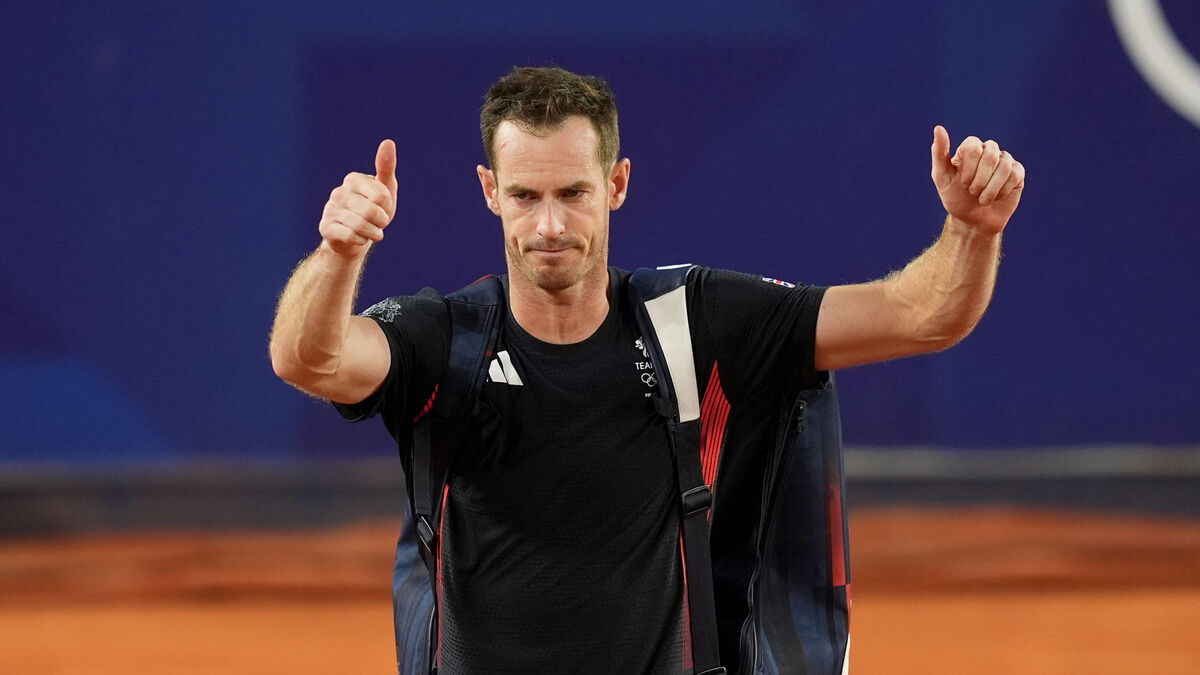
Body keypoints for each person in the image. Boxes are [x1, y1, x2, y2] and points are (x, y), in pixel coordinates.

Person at [269, 66, 1024, 674]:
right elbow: (306, 358)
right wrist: (339, 254)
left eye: (574, 193)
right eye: (525, 196)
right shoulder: (444, 339)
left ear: (617, 184)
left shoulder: (695, 322)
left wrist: (971, 229)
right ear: (490, 191)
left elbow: (920, 315)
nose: (550, 225)